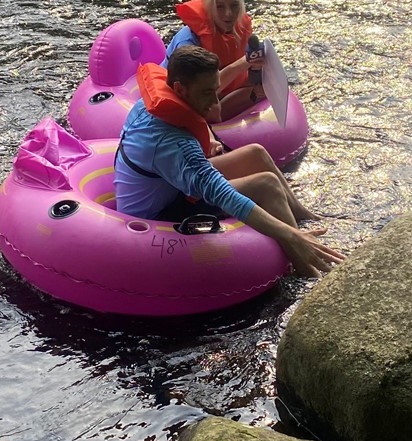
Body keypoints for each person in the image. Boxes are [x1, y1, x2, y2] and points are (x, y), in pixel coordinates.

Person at [113, 45, 342, 277]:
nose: (215, 102)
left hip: (167, 182)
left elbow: (192, 116)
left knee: (255, 154)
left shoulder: (152, 103)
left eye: (215, 91)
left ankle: (304, 217)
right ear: (180, 88)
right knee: (267, 185)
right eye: (207, 93)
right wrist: (289, 234)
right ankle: (308, 267)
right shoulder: (173, 142)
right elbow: (222, 194)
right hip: (156, 215)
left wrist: (210, 135)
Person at [168, 0, 267, 122]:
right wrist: (244, 63)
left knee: (266, 89)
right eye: (220, 7)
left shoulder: (239, 30)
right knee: (213, 111)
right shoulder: (188, 42)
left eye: (234, 5)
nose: (228, 13)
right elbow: (196, 93)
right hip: (191, 100)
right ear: (208, 8)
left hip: (219, 94)